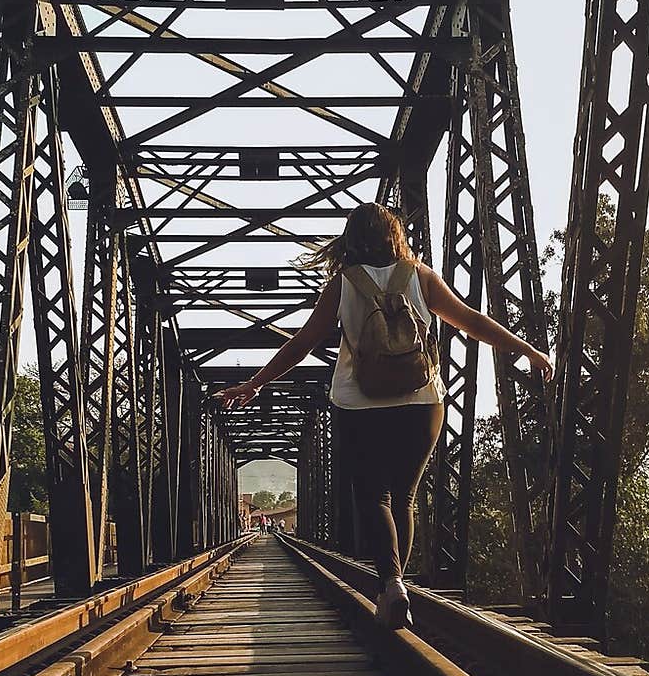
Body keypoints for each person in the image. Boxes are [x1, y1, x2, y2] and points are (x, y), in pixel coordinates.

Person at [217, 202, 552, 630]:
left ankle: (391, 583)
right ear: (396, 234)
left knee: (375, 497)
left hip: (360, 403)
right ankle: (398, 586)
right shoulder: (420, 275)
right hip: (422, 401)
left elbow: (301, 343)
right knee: (405, 498)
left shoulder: (343, 283)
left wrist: (255, 383)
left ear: (350, 238)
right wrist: (527, 348)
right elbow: (470, 321)